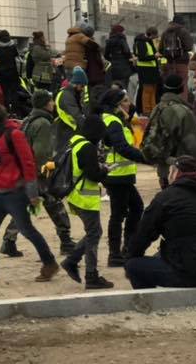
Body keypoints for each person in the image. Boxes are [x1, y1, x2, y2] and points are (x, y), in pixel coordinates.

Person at [0, 100, 60, 288]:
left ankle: (49, 263)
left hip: (15, 193)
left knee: (27, 230)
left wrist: (32, 194)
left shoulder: (14, 134)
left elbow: (28, 163)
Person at [0, 90, 75, 257]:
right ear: (46, 104)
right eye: (51, 101)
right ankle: (66, 240)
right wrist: (46, 173)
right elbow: (41, 152)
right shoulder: (43, 123)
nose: (54, 104)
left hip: (25, 172)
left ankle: (9, 240)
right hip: (37, 173)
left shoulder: (28, 120)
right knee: (54, 204)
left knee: (26, 206)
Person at [126, 155, 196, 289]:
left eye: (169, 172)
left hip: (191, 271)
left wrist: (131, 256)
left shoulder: (166, 198)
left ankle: (152, 305)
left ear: (175, 173)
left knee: (133, 266)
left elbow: (143, 235)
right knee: (161, 254)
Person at [60, 113, 114, 289]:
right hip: (85, 197)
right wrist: (104, 170)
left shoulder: (76, 142)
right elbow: (93, 175)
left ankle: (72, 261)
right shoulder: (87, 148)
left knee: (94, 232)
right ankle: (91, 275)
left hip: (76, 195)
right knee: (93, 234)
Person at [142, 74, 196, 186]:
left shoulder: (158, 108)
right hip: (180, 171)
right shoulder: (182, 111)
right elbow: (194, 145)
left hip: (164, 169)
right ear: (181, 87)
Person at [99, 88, 145, 266]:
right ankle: (116, 254)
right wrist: (145, 157)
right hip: (117, 175)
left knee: (135, 208)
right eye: (125, 101)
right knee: (119, 215)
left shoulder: (115, 119)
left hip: (120, 175)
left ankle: (126, 249)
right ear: (117, 105)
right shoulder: (114, 122)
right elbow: (122, 148)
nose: (130, 104)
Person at [54, 66, 90, 154]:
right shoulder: (67, 96)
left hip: (67, 129)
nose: (82, 89)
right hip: (66, 131)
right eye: (82, 86)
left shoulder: (72, 93)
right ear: (76, 83)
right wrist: (89, 129)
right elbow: (77, 115)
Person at [161, 16, 194, 98]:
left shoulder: (165, 32)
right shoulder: (184, 32)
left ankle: (170, 103)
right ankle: (182, 104)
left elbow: (161, 49)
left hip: (169, 63)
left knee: (170, 85)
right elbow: (189, 47)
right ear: (182, 23)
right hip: (181, 62)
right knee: (183, 84)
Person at [133, 26, 162, 115]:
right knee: (147, 91)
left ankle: (153, 109)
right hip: (146, 70)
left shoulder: (147, 41)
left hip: (151, 69)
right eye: (154, 36)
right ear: (151, 34)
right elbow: (142, 57)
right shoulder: (141, 42)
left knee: (152, 90)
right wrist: (155, 56)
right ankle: (147, 110)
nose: (155, 39)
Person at [0, 30, 22, 112]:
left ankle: (7, 110)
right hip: (12, 71)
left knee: (5, 92)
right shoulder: (12, 46)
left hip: (2, 71)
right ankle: (15, 110)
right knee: (14, 92)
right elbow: (16, 55)